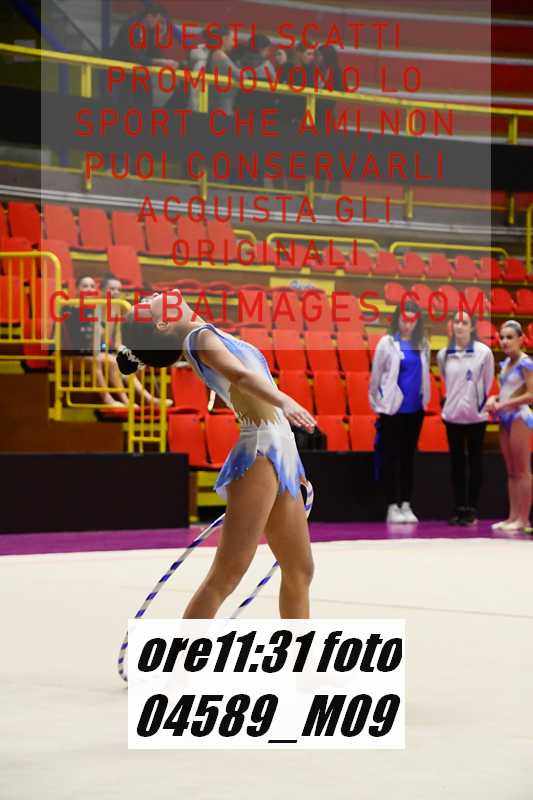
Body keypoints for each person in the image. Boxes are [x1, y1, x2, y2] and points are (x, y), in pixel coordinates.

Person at [117, 291, 316, 618]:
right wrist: (284, 399)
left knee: (300, 569)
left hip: (280, 456)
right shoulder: (199, 338)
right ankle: (185, 650)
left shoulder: (202, 334)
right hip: (259, 456)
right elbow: (240, 375)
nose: (154, 295)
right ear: (164, 323)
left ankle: (299, 649)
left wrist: (292, 461)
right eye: (150, 302)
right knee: (227, 575)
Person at [369, 300, 431, 523]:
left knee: (408, 458)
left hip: (415, 410)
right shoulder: (387, 343)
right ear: (398, 319)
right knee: (391, 458)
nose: (407, 325)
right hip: (392, 410)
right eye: (404, 320)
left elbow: (424, 375)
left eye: (412, 321)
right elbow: (376, 376)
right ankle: (392, 505)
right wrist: (378, 403)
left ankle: (406, 503)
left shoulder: (422, 344)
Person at [437, 311, 495, 526]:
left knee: (475, 463)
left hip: (476, 417)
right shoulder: (444, 354)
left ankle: (472, 508)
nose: (459, 326)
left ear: (471, 327)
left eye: (464, 322)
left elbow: (488, 382)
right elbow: (446, 380)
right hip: (452, 417)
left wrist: (475, 401)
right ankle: (459, 507)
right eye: (456, 322)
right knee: (456, 465)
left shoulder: (483, 353)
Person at [486, 320, 533, 531]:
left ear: (521, 339)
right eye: (502, 337)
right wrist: (494, 398)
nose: (505, 341)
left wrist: (504, 404)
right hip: (504, 417)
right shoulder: (505, 364)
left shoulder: (526, 363)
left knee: (522, 470)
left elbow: (531, 395)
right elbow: (506, 391)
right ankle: (512, 517)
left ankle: (523, 519)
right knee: (512, 471)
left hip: (519, 417)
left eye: (510, 337)